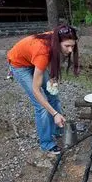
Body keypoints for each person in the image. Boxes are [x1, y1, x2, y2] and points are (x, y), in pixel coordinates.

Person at [7, 24, 80, 155]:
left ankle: (57, 129)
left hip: (33, 59)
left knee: (53, 95)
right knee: (41, 107)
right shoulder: (42, 52)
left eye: (72, 46)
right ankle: (46, 143)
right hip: (19, 64)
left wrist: (53, 78)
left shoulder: (59, 36)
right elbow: (36, 91)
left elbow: (53, 59)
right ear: (58, 43)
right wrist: (55, 113)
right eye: (67, 46)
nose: (70, 50)